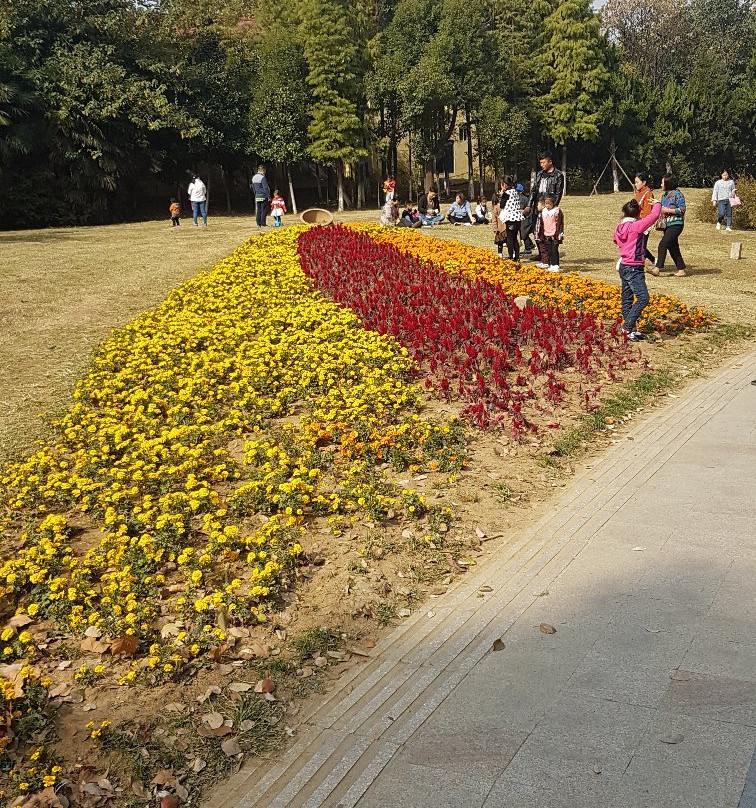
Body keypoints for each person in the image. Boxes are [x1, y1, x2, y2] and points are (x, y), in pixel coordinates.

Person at [613, 197, 663, 341]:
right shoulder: (636, 226)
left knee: (627, 298)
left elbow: (616, 240)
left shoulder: (619, 227)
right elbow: (654, 216)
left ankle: (630, 331)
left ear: (624, 213)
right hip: (635, 267)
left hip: (624, 265)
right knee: (643, 297)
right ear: (637, 214)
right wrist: (658, 204)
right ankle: (627, 327)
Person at [652, 174, 687, 277]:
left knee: (663, 244)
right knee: (673, 247)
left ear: (668, 183)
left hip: (676, 224)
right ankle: (681, 269)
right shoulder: (663, 196)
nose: (661, 184)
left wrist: (668, 210)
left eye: (662, 182)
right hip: (667, 225)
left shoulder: (678, 194)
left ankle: (658, 268)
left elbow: (682, 209)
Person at [526, 152, 565, 219]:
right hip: (537, 207)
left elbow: (558, 194)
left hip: (549, 207)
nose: (541, 165)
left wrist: (551, 208)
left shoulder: (558, 175)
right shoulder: (539, 174)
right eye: (540, 163)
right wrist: (529, 205)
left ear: (550, 162)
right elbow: (534, 190)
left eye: (543, 163)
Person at [535, 194, 564, 272]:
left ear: (553, 203)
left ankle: (556, 265)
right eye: (546, 204)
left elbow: (560, 223)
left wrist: (560, 234)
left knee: (554, 250)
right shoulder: (543, 212)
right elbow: (541, 224)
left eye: (549, 204)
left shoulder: (557, 211)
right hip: (546, 234)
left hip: (555, 234)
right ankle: (551, 264)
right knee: (549, 250)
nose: (547, 206)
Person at [498, 177, 525, 261]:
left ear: (504, 185)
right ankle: (516, 256)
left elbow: (502, 206)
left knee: (510, 238)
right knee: (515, 238)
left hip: (510, 218)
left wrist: (502, 195)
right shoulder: (515, 192)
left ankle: (511, 256)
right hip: (518, 217)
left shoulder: (506, 193)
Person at [633, 172, 655, 266]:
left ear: (644, 182)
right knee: (639, 244)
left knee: (641, 245)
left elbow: (647, 211)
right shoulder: (638, 193)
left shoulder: (648, 194)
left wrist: (642, 223)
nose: (635, 184)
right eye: (635, 182)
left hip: (644, 223)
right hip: (637, 222)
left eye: (637, 182)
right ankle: (654, 260)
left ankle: (640, 263)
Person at [517, 183, 534, 255]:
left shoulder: (522, 198)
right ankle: (531, 245)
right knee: (524, 233)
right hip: (526, 218)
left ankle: (528, 249)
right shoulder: (523, 197)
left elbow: (522, 210)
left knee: (524, 233)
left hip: (526, 218)